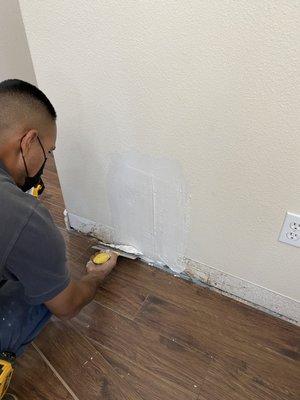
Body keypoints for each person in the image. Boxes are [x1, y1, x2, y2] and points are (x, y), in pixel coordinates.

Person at [0, 79, 118, 400]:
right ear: (28, 142)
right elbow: (67, 305)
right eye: (48, 151)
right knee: (40, 293)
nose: (47, 160)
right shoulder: (23, 219)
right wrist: (94, 278)